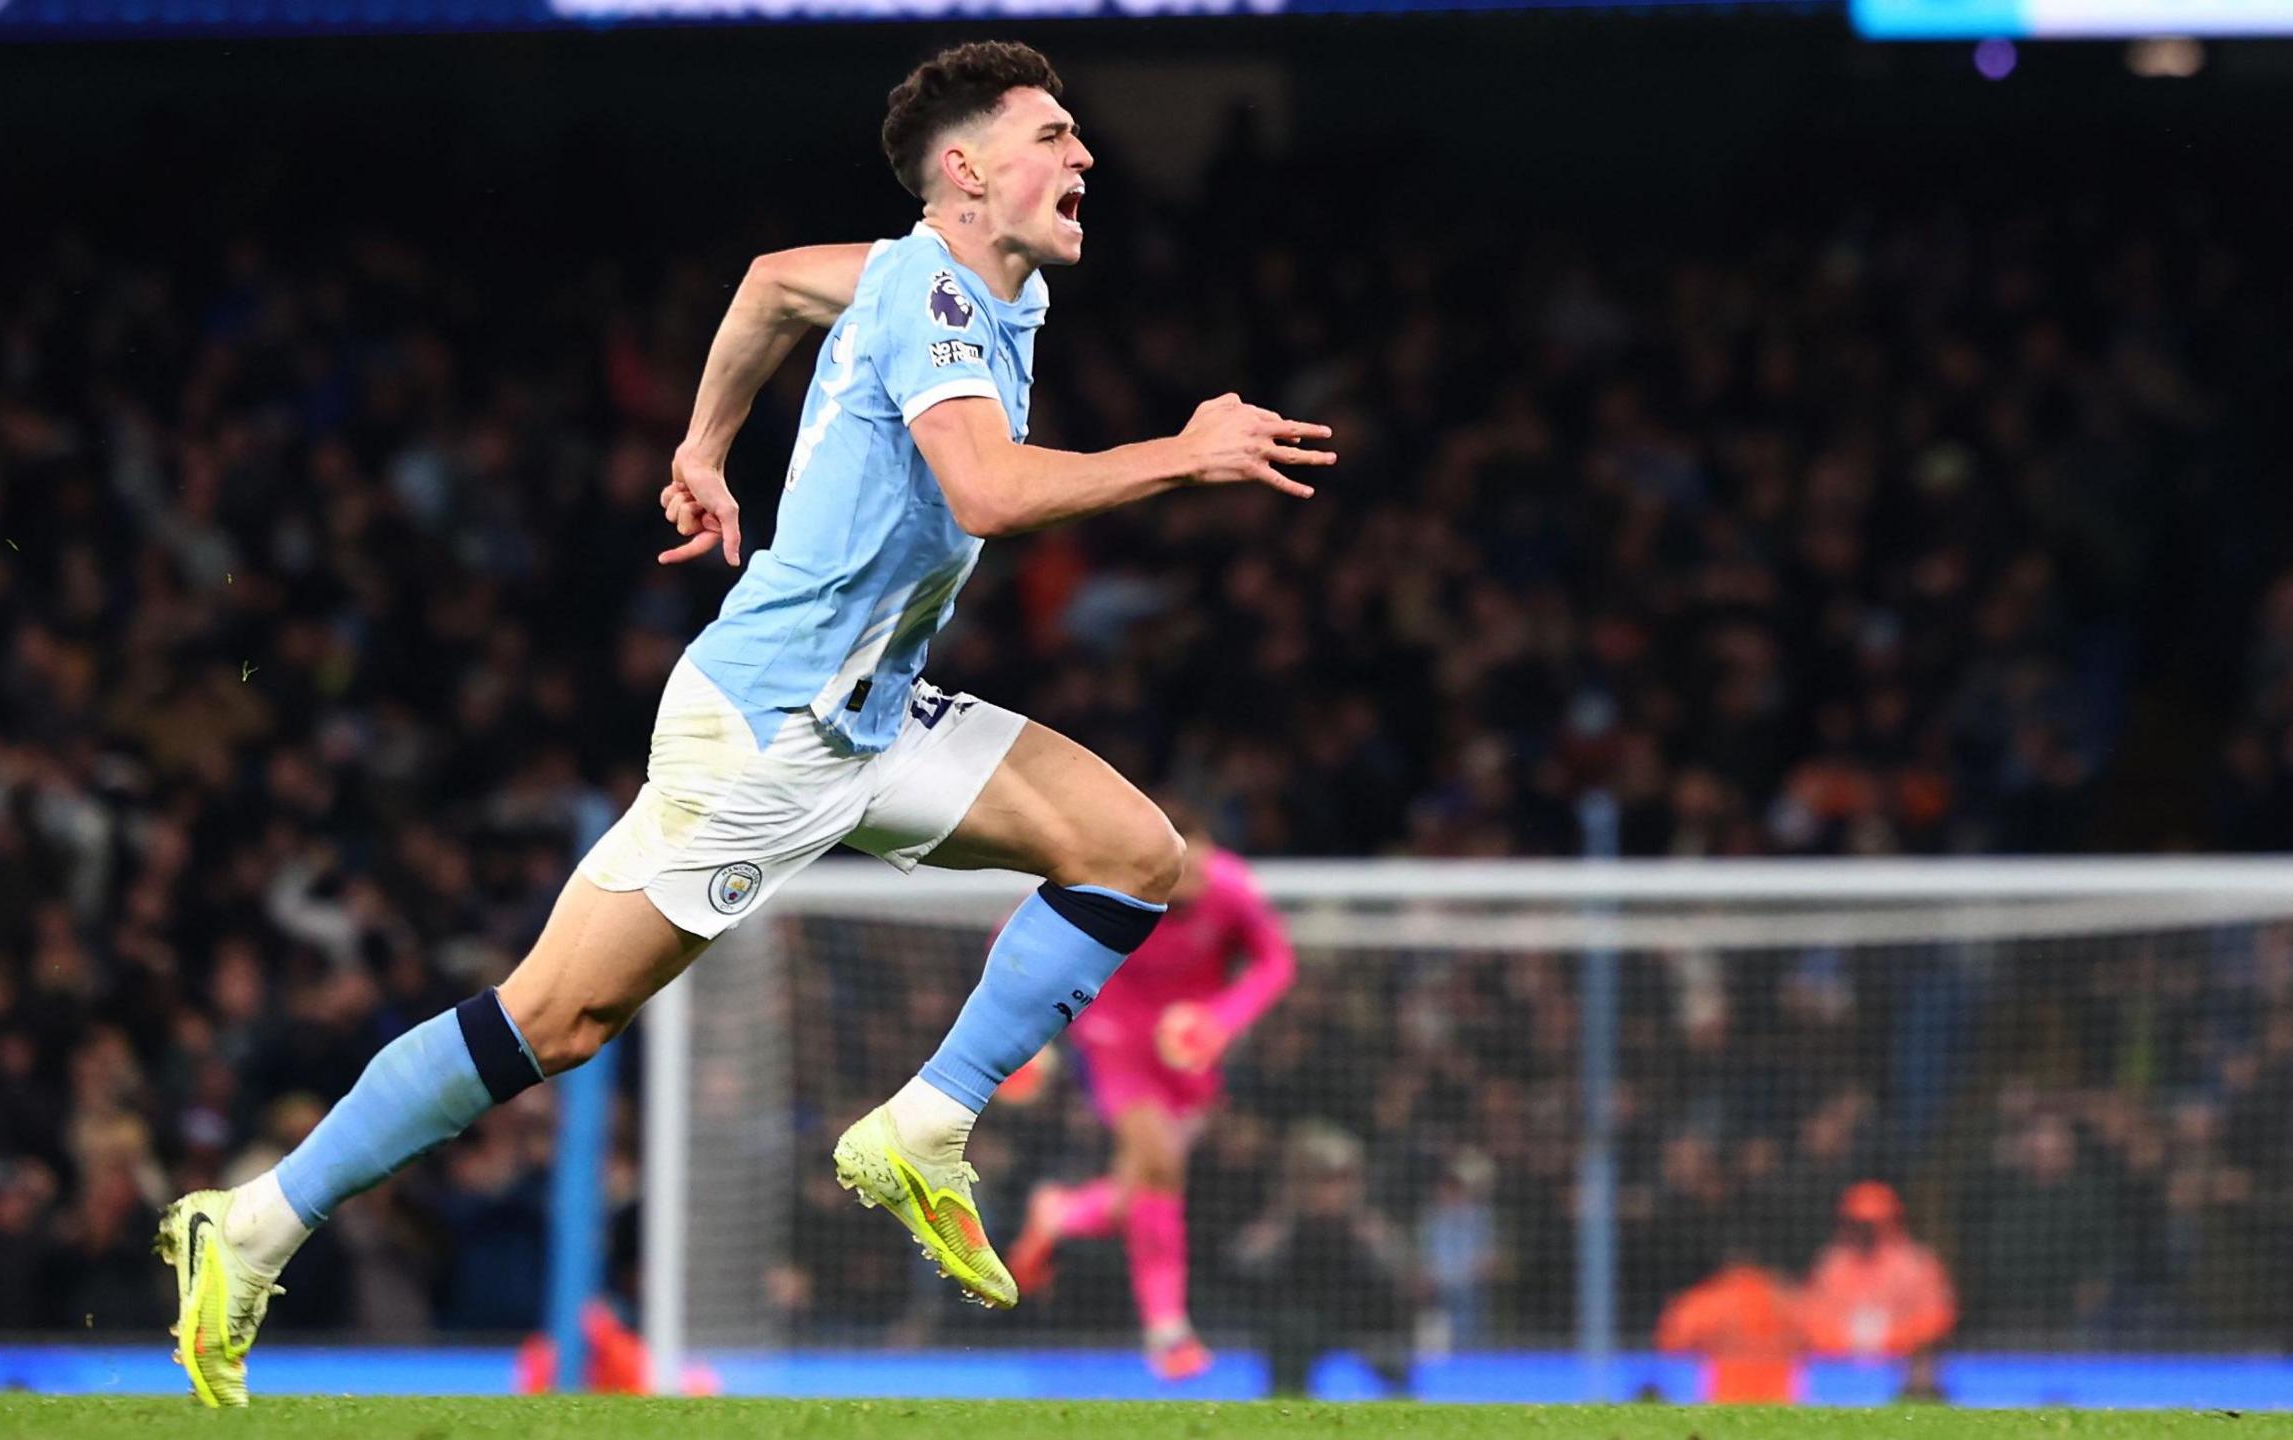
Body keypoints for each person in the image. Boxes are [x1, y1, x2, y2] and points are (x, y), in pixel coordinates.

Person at [151, 39, 1335, 1407]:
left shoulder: (941, 279)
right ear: (967, 171)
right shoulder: (938, 303)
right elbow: (988, 494)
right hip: (771, 734)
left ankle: (925, 1128)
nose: (1083, 157)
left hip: (876, 717)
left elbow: (774, 285)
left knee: (1134, 851)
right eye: (1053, 135)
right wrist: (1185, 453)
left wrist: (703, 448)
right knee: (556, 1018)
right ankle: (250, 1226)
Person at [1002, 820, 1296, 1379]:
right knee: (1160, 1167)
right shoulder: (1106, 870)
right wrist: (1026, 1033)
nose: (1193, 886)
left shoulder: (1229, 887)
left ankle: (1062, 1213)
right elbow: (1013, 933)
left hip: (1189, 1052)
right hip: (1113, 1038)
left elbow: (1275, 962)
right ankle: (1168, 1331)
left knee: (1138, 1192)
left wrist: (1221, 1020)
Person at [1230, 1124, 1414, 1399]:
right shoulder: (1283, 1221)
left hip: (1364, 1320)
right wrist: (1280, 1227)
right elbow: (1241, 1262)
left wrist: (1373, 1239)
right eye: (1324, 1179)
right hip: (1299, 1325)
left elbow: (1406, 1272)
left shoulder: (1369, 1224)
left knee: (1393, 1360)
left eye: (1342, 1179)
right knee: (1290, 1339)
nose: (1333, 1189)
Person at [1802, 1180, 1956, 1362]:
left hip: (1903, 1366)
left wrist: (1891, 1340)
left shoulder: (1916, 1264)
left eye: (1873, 1224)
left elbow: (1937, 1315)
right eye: (1858, 1223)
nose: (1866, 1233)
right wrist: (1846, 1342)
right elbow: (1811, 1317)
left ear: (1892, 1221)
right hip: (1840, 1366)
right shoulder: (1832, 1264)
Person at [1655, 1247, 1807, 1405]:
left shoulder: (1707, 1300)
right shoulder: (1786, 1298)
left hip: (1726, 1398)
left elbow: (1672, 1343)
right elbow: (1828, 1341)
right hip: (1781, 1399)